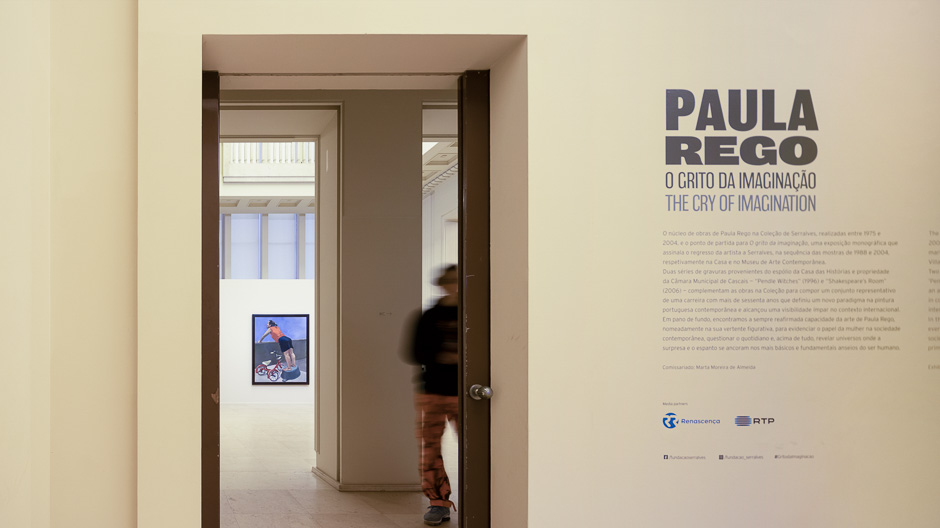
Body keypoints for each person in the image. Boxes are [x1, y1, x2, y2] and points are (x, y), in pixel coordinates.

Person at [411, 265, 459, 526]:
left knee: (478, 448)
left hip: (467, 393)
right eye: (450, 281)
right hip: (433, 392)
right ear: (442, 283)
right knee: (430, 450)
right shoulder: (430, 316)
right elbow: (414, 352)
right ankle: (438, 503)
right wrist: (445, 356)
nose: (455, 286)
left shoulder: (477, 313)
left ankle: (486, 498)